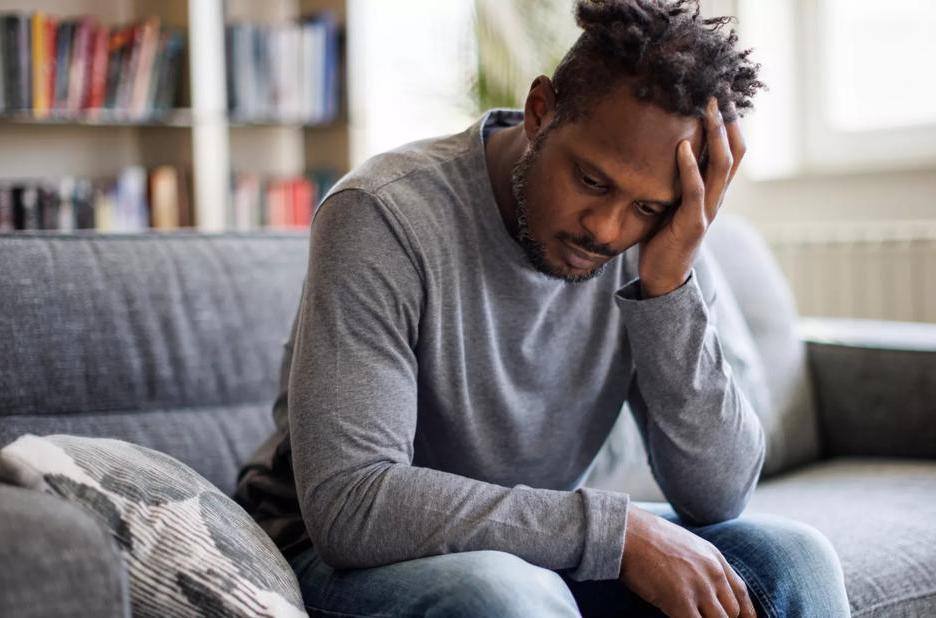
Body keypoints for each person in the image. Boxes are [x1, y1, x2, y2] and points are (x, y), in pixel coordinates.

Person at [235, 1, 852, 616]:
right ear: (540, 112)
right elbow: (352, 505)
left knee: (791, 559)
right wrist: (617, 533)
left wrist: (668, 286)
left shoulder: (662, 242)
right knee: (508, 595)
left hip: (529, 549)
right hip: (333, 558)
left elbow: (718, 494)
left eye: (645, 206)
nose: (606, 230)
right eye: (592, 180)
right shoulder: (383, 214)